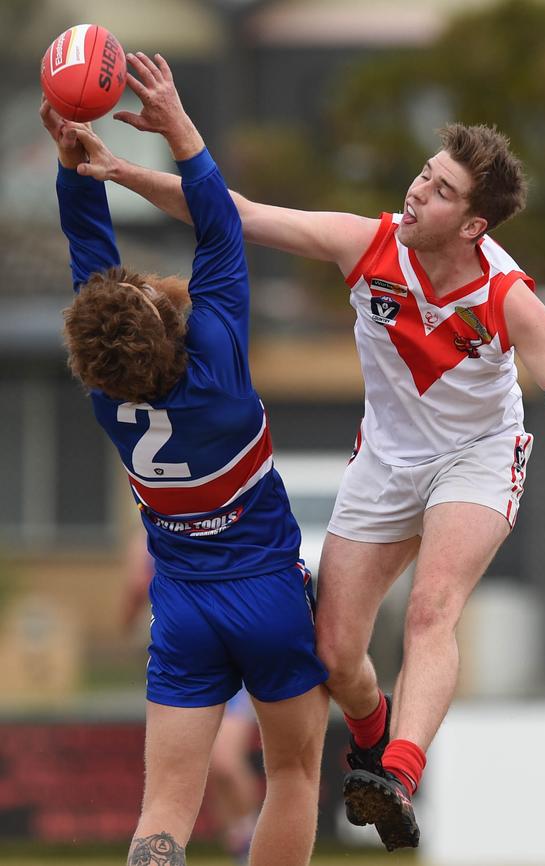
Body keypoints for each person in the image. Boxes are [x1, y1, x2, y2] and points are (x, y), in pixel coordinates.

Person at [87, 76, 545, 851]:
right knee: (333, 653)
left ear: (472, 225)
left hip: (476, 458)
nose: (418, 191)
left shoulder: (508, 298)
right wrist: (123, 172)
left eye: (440, 192)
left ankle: (398, 769)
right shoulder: (367, 245)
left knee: (434, 607)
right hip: (387, 461)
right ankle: (373, 736)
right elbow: (237, 214)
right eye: (424, 174)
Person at [40, 51, 329, 866]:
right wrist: (177, 124)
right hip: (269, 596)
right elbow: (219, 224)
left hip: (185, 613)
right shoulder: (217, 355)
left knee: (164, 806)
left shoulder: (107, 392)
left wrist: (75, 173)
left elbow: (90, 261)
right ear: (166, 322)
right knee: (294, 773)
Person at [120, 530, 262, 865]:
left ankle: (250, 836)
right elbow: (133, 595)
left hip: (232, 660)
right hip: (182, 665)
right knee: (197, 769)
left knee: (225, 761)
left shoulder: (221, 523)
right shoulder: (142, 543)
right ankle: (238, 840)